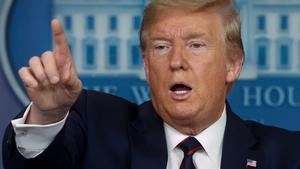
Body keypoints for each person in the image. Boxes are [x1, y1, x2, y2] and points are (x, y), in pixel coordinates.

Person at [3, 0, 300, 168]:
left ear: (233, 65)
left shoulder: (287, 154)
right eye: (160, 47)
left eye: (196, 45)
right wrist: (48, 116)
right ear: (146, 66)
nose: (176, 61)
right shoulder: (95, 125)